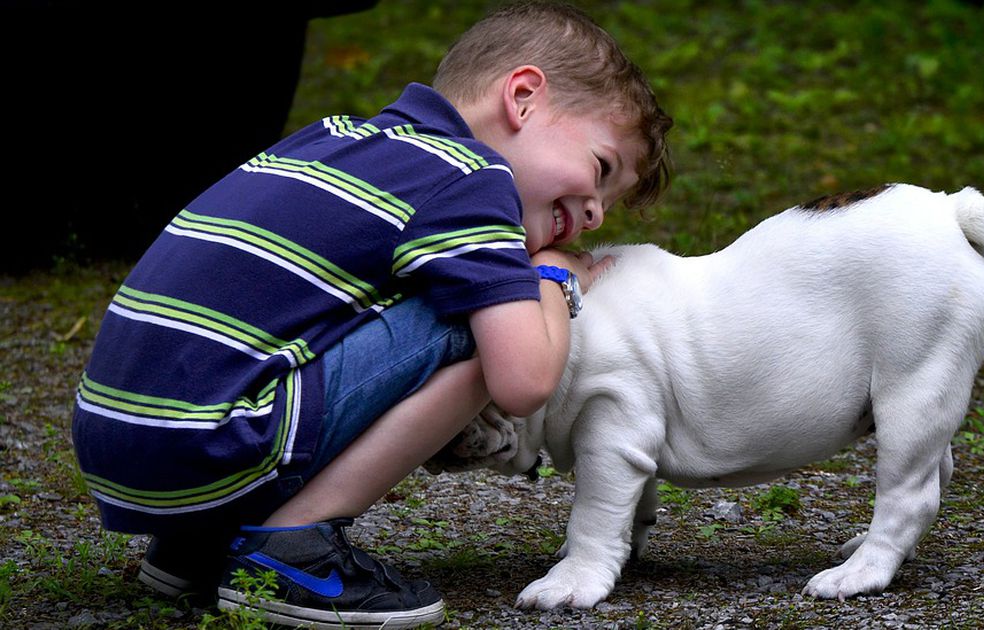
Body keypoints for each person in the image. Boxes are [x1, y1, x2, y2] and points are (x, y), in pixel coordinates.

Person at [70, 2, 672, 627]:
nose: (598, 213)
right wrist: (548, 277)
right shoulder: (470, 179)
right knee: (478, 317)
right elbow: (523, 381)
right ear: (522, 97)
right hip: (211, 442)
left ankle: (200, 546)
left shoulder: (334, 139)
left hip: (120, 445)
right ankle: (290, 546)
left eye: (607, 202)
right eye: (601, 170)